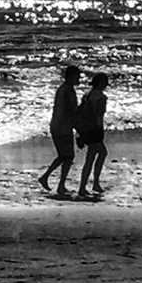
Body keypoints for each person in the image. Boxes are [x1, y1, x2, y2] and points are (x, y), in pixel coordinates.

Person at [38, 65, 81, 196]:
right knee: (67, 156)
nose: (79, 79)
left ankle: (51, 180)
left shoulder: (63, 89)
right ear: (71, 77)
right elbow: (71, 111)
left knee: (64, 156)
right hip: (63, 126)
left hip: (57, 125)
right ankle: (57, 183)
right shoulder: (68, 91)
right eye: (77, 76)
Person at [75, 72, 109, 198]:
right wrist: (100, 130)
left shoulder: (87, 95)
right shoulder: (101, 97)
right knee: (100, 154)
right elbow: (99, 115)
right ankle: (90, 185)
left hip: (86, 129)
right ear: (101, 84)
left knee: (91, 157)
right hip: (95, 129)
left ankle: (86, 185)